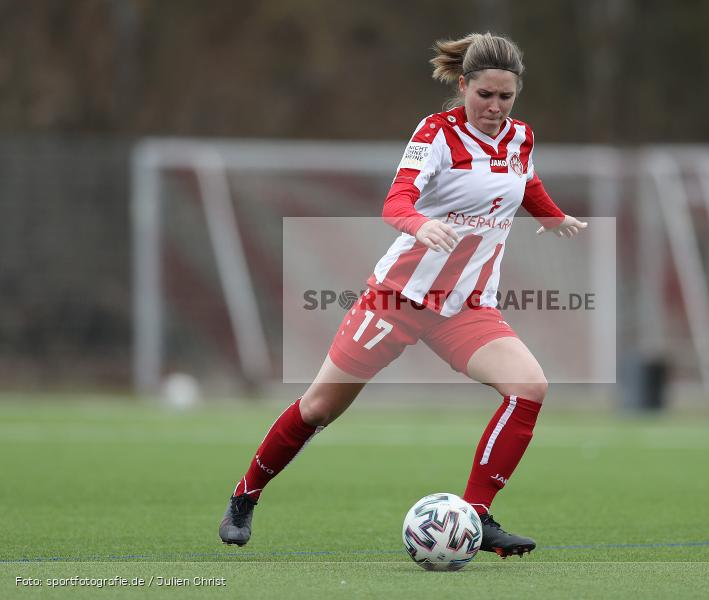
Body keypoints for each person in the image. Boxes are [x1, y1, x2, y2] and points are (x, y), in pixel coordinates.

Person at [219, 32, 587, 558]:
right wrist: (419, 226)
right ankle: (245, 496)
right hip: (399, 298)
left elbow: (524, 183)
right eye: (484, 94)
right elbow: (396, 201)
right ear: (463, 86)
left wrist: (554, 218)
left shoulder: (521, 137)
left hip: (465, 306)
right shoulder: (436, 134)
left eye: (505, 96)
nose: (494, 106)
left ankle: (477, 517)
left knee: (529, 386)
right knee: (320, 407)